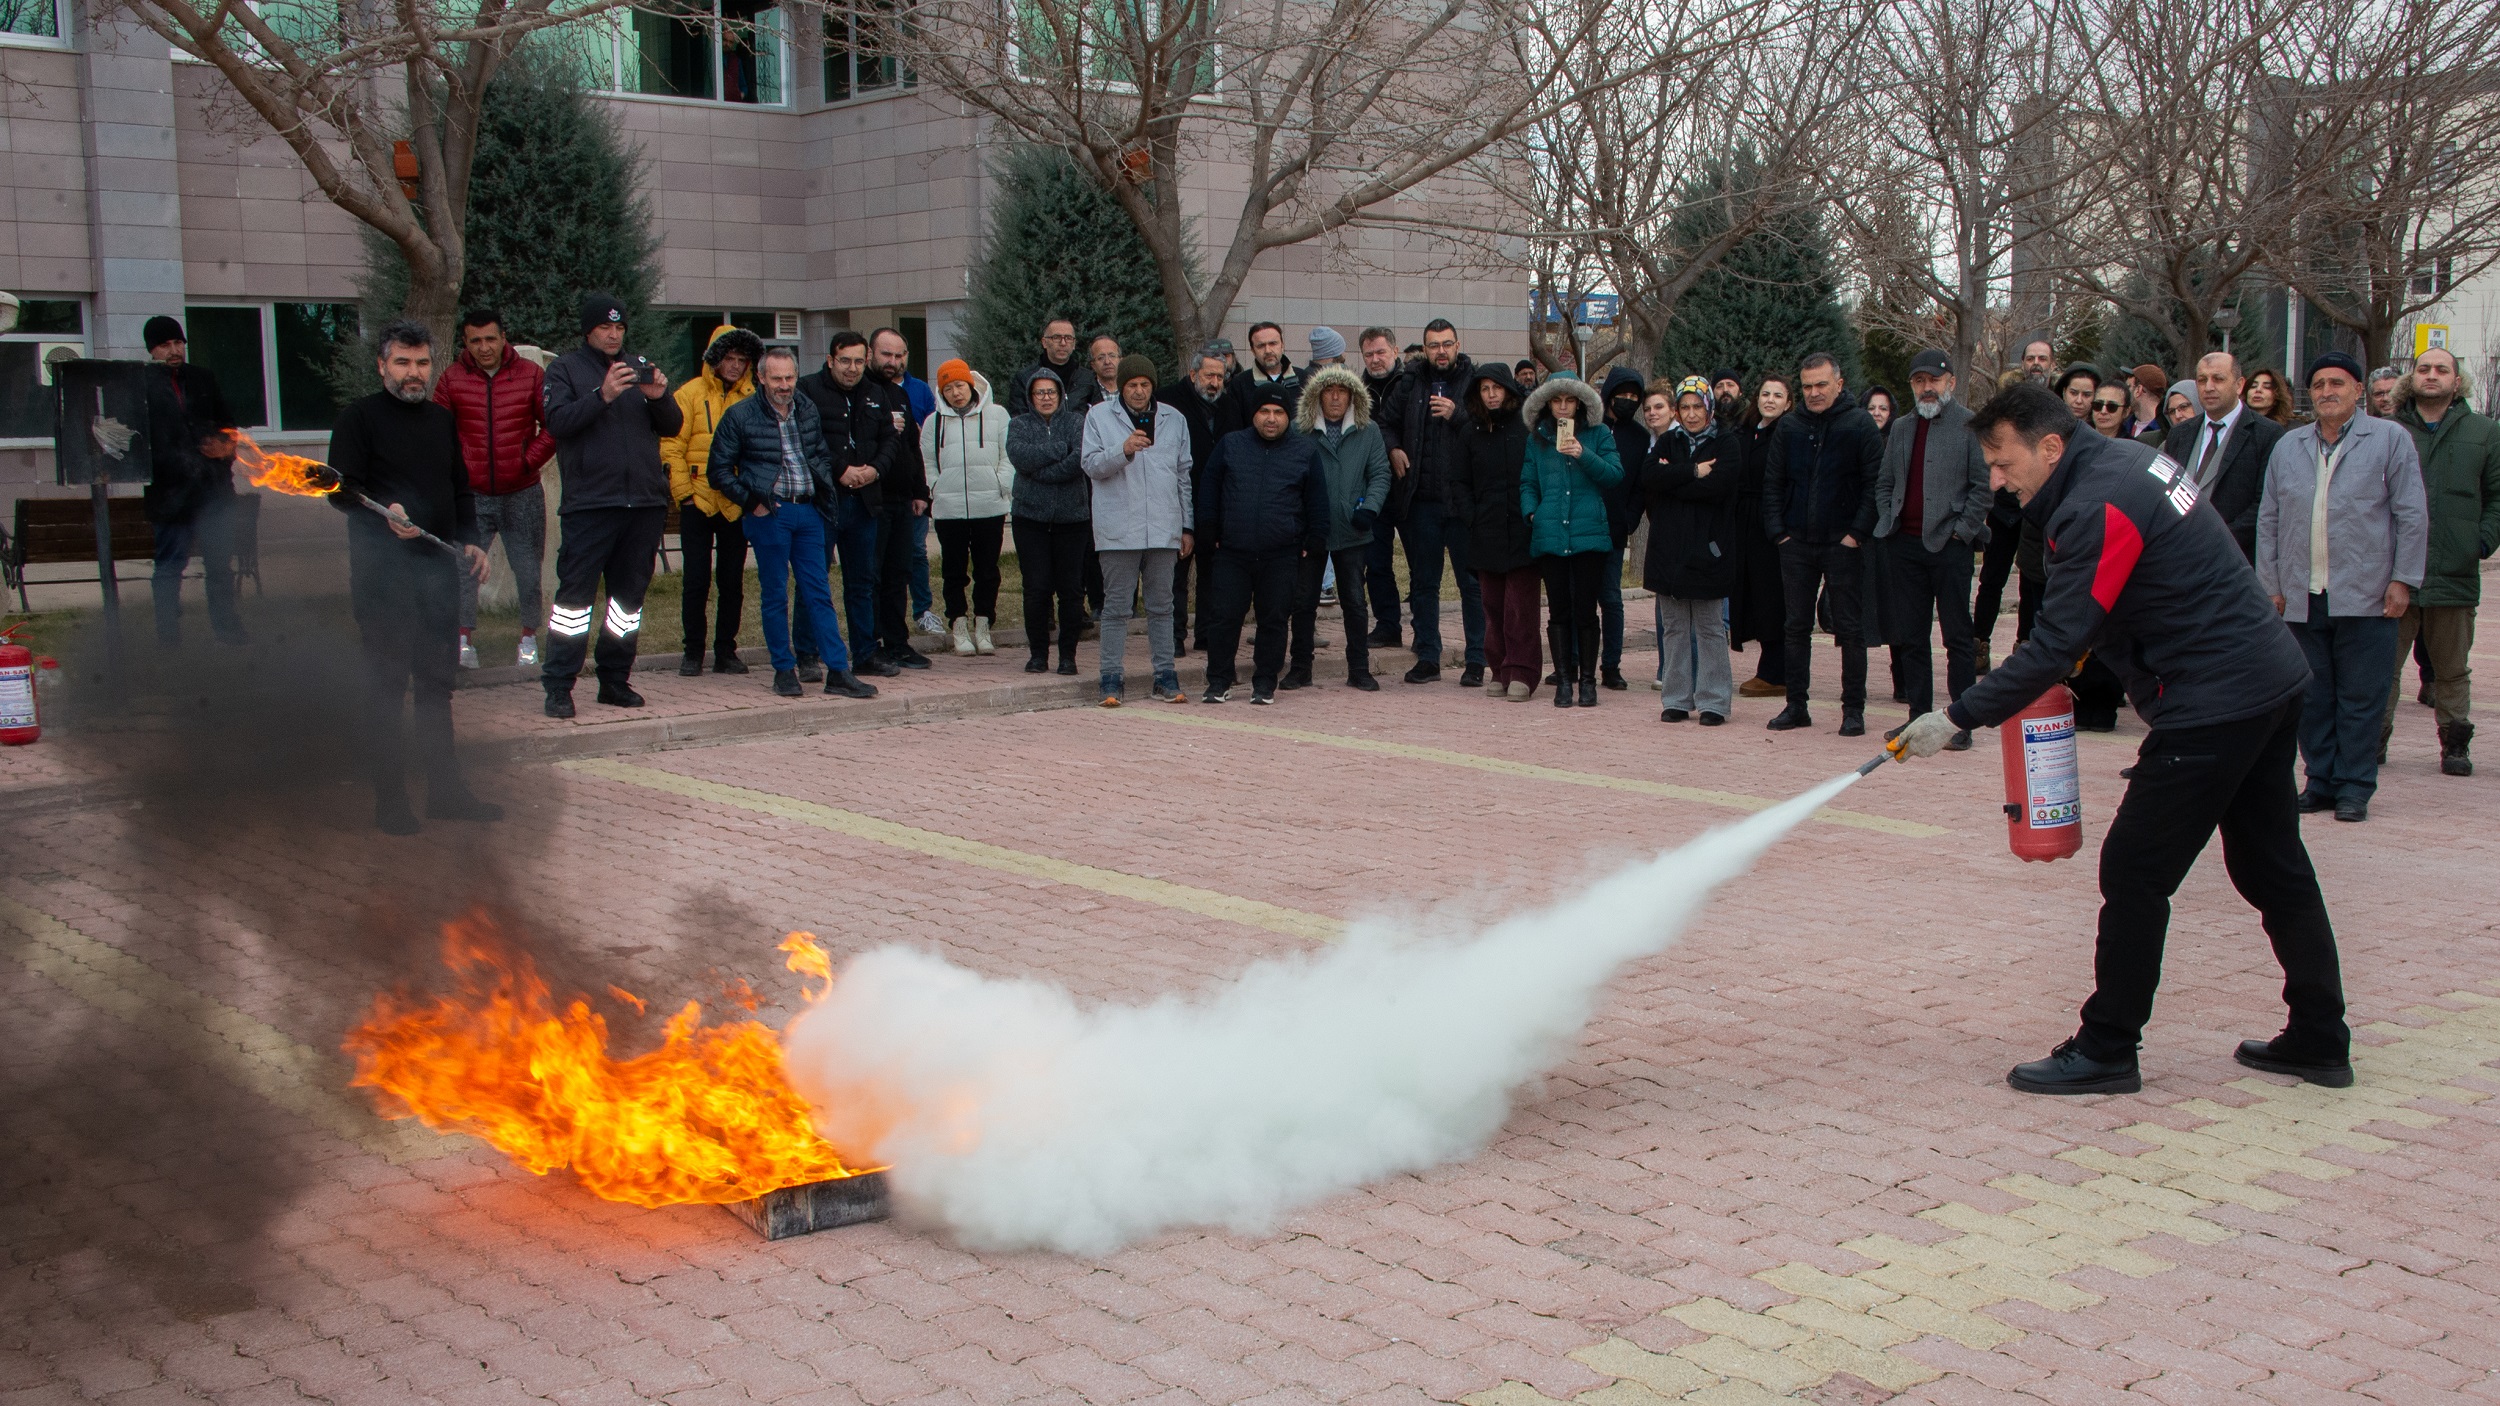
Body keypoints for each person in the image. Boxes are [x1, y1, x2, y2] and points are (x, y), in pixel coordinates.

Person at [1894, 382, 2348, 1095]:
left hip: (2216, 699)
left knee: (2135, 872)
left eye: (2005, 464)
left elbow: (2053, 644)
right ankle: (2321, 1036)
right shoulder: (2125, 463)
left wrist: (1955, 717)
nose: (1998, 481)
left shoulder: (2097, 503)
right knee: (2273, 867)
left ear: (2050, 446)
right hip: (2265, 681)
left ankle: (2107, 1046)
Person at [326, 319, 501, 833]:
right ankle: (390, 801)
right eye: (402, 363)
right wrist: (386, 513)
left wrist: (470, 537)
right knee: (386, 689)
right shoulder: (358, 419)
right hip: (383, 580)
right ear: (382, 366)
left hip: (438, 578)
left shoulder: (440, 420)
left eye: (422, 363)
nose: (413, 373)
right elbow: (340, 492)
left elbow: (460, 487)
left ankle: (446, 792)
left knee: (435, 688)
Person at [2255, 352, 2427, 822]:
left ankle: (2355, 785)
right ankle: (2322, 780)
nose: (2327, 391)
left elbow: (2411, 513)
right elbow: (2269, 518)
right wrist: (2270, 582)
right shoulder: (2290, 446)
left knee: (2361, 696)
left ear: (2358, 391)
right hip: (2301, 594)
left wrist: (2402, 580)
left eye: (2338, 383)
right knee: (2312, 695)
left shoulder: (2390, 439)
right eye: (2319, 384)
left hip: (2368, 594)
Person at [704, 346, 879, 701]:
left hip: (809, 510)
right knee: (774, 593)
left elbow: (816, 454)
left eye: (790, 378)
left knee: (819, 592)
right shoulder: (739, 416)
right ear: (761, 378)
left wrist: (822, 497)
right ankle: (784, 669)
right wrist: (752, 501)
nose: (784, 386)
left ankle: (838, 671)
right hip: (770, 513)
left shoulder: (806, 407)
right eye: (777, 378)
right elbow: (718, 470)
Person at [538, 293, 684, 717]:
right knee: (574, 602)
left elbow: (671, 426)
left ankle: (615, 681)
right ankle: (559, 685)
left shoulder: (638, 366)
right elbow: (558, 423)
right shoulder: (565, 369)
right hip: (591, 505)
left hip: (642, 505)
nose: (613, 334)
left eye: (619, 328)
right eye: (605, 327)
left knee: (626, 603)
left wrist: (658, 396)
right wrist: (601, 395)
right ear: (588, 330)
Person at [2379, 346, 2498, 776]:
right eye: (2423, 369)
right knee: (2383, 667)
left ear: (2457, 380)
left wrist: (2480, 541)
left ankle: (2455, 746)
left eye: (2441, 369)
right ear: (2412, 379)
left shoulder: (2485, 432)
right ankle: (2373, 740)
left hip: (2455, 569)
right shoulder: (2386, 431)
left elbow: (2497, 496)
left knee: (2451, 670)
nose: (2432, 375)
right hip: (2394, 574)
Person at [1873, 350, 1989, 745]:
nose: (1927, 388)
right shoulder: (1902, 427)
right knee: (1911, 635)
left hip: (1950, 546)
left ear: (1950, 383)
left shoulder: (1971, 426)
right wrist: (1887, 518)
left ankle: (1960, 724)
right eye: (1919, 381)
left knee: (1957, 637)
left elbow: (1983, 486)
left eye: (1934, 380)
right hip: (1903, 545)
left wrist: (1962, 530)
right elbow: (1885, 481)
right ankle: (1917, 719)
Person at [1760, 353, 1880, 735]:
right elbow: (1773, 484)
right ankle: (1796, 706)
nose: (1813, 393)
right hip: (1796, 542)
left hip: (1843, 542)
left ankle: (1853, 710)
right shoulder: (1790, 427)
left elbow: (1874, 486)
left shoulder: (1860, 425)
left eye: (1821, 385)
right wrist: (1779, 531)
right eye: (1807, 386)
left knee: (1849, 629)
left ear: (1839, 384)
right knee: (1795, 626)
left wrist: (1855, 534)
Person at [436, 307, 557, 669]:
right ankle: (462, 641)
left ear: (504, 337)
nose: (484, 347)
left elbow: (553, 426)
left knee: (527, 568)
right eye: (476, 340)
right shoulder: (452, 379)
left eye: (491, 338)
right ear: (465, 342)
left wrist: (526, 461)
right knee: (464, 568)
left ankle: (527, 639)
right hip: (472, 496)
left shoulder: (531, 374)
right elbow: (438, 432)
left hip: (522, 491)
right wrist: (460, 471)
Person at [1199, 385, 1328, 704]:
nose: (1271, 419)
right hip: (1232, 551)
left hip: (1281, 554)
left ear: (1289, 417)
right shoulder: (1231, 445)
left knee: (1273, 619)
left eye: (1279, 413)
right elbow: (1208, 491)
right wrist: (1207, 531)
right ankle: (1219, 680)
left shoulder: (1305, 452)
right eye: (1264, 412)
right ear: (1254, 415)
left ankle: (1264, 682)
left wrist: (1312, 541)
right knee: (1225, 617)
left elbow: (1317, 503)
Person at [1083, 354, 1194, 705]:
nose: (1139, 391)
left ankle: (1165, 676)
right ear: (1121, 387)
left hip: (1163, 528)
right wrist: (1124, 449)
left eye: (1145, 384)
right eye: (1132, 385)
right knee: (1117, 608)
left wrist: (1186, 525)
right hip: (1119, 529)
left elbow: (1183, 475)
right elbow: (1091, 464)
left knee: (1163, 606)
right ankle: (1111, 679)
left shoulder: (1174, 419)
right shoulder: (1099, 416)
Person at [1380, 319, 1487, 684]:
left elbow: (1489, 431)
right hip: (1421, 502)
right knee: (1423, 584)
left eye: (1446, 344)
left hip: (1462, 504)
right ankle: (1428, 656)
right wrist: (1393, 448)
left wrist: (1457, 415)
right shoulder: (1410, 381)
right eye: (1433, 345)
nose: (1440, 351)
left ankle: (1477, 659)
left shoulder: (1475, 383)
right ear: (1423, 349)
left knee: (1471, 584)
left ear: (1458, 345)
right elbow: (1384, 421)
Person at [659, 324, 762, 676]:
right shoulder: (688, 393)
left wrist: (751, 493)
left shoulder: (754, 396)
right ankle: (693, 651)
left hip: (735, 501)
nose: (734, 365)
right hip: (698, 499)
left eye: (741, 359)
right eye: (729, 358)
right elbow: (671, 444)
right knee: (696, 580)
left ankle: (725, 650)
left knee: (732, 581)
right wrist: (683, 494)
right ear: (715, 359)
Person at [140, 315, 247, 648]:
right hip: (171, 496)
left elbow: (229, 426)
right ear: (152, 350)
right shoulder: (141, 385)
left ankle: (227, 631)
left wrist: (224, 447)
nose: (174, 350)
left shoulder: (202, 379)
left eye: (178, 343)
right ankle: (168, 637)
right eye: (165, 345)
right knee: (170, 568)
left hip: (213, 491)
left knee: (219, 567)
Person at [794, 331, 896, 679]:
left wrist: (875, 470)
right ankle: (807, 655)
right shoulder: (807, 391)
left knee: (861, 582)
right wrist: (841, 470)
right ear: (830, 360)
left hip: (864, 502)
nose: (852, 369)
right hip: (823, 503)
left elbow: (890, 440)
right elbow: (808, 441)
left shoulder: (875, 393)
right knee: (813, 580)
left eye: (858, 361)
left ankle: (865, 653)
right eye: (845, 361)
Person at [1520, 375, 1624, 708]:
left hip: (1589, 534)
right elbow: (1527, 482)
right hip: (1550, 534)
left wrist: (1582, 453)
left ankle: (1589, 682)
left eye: (1569, 400)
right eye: (1556, 400)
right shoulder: (1537, 439)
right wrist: (1533, 513)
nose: (1563, 407)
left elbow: (1614, 474)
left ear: (1579, 402)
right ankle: (1564, 681)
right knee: (1559, 610)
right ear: (1547, 404)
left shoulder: (1599, 433)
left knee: (1586, 611)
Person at [1643, 378, 1740, 724]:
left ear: (1709, 407)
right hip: (1668, 552)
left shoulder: (1726, 442)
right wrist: (1692, 472)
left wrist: (1675, 480)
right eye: (1685, 407)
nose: (1691, 414)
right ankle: (1677, 699)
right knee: (1674, 629)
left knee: (1711, 628)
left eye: (1697, 406)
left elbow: (1719, 487)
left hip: (1709, 550)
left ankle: (1713, 701)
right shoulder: (1668, 440)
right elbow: (1649, 477)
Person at [1289, 365, 1391, 690]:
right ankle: (1300, 667)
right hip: (1312, 530)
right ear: (1317, 396)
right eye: (1329, 391)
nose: (1335, 397)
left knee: (1355, 602)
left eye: (1342, 391)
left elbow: (1380, 474)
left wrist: (1370, 508)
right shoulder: (1301, 430)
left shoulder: (1368, 430)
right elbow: (1289, 477)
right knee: (1304, 601)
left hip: (1353, 528)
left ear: (1352, 396)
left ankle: (1359, 668)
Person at [1449, 365, 1537, 699]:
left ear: (1509, 391)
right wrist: (1471, 516)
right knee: (1493, 607)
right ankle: (1499, 670)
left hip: (1522, 529)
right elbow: (1458, 480)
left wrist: (1532, 515)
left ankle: (1523, 672)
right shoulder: (1470, 432)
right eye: (1485, 389)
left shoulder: (1527, 427)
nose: (1491, 395)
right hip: (1485, 533)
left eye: (1496, 388)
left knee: (1520, 608)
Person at [922, 358, 1012, 656]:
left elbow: (1008, 456)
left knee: (987, 570)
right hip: (950, 510)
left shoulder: (997, 415)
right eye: (948, 388)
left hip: (990, 506)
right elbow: (928, 463)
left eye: (959, 385)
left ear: (970, 384)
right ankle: (958, 625)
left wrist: (1001, 484)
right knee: (953, 571)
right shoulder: (933, 422)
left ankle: (984, 626)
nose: (955, 393)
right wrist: (937, 488)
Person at [2160, 351, 2284, 563]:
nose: (2209, 387)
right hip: (2180, 558)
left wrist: (2216, 539)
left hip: (2236, 560)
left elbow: (2264, 504)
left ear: (2239, 385)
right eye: (2202, 380)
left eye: (2218, 379)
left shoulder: (2267, 434)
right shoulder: (2180, 434)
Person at [1159, 348, 1245, 653]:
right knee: (1176, 573)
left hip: (1216, 503)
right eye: (1209, 375)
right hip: (1177, 498)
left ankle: (1206, 634)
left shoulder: (1229, 405)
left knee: (1212, 572)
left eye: (1220, 377)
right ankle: (1173, 636)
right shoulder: (1169, 401)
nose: (1215, 383)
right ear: (1193, 374)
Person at [1006, 369, 1091, 676]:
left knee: (1070, 591)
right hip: (1030, 520)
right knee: (1036, 588)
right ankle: (1038, 654)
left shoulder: (1077, 422)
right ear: (1030, 397)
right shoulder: (1018, 425)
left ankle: (1068, 655)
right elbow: (1020, 458)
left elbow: (1080, 458)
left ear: (1060, 395)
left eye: (1051, 392)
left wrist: (1040, 472)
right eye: (1039, 393)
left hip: (1073, 519)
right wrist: (1057, 451)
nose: (1046, 398)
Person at [869, 328, 936, 667]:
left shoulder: (901, 395)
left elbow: (913, 446)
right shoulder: (863, 394)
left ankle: (898, 642)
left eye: (899, 356)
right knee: (873, 574)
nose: (893, 362)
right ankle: (872, 642)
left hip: (902, 501)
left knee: (899, 573)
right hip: (871, 501)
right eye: (886, 355)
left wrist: (920, 492)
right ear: (871, 354)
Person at [1729, 375, 1792, 697]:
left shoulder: (1788, 434)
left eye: (1777, 395)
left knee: (1773, 598)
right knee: (1750, 594)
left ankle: (1775, 671)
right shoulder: (1744, 432)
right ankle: (1769, 668)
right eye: (1765, 393)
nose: (1769, 400)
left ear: (1788, 402)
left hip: (1772, 524)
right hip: (1743, 523)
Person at [1597, 366, 1652, 690]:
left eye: (1634, 397)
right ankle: (1572, 661)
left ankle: (1611, 666)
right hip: (1581, 525)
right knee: (1578, 599)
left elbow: (1639, 487)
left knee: (1611, 600)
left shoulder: (1640, 437)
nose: (1628, 401)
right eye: (1623, 395)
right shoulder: (1591, 427)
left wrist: (1630, 520)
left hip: (1615, 530)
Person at [1357, 327, 1410, 649]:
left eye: (1380, 352)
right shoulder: (1356, 389)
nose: (1375, 360)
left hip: (1410, 486)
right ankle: (1388, 625)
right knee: (1376, 563)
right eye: (1368, 354)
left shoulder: (1411, 384)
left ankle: (1426, 630)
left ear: (1395, 350)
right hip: (1373, 489)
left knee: (1421, 566)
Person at [1007, 315, 1086, 416]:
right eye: (1056, 337)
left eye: (1068, 338)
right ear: (1044, 342)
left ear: (1074, 344)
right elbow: (1020, 419)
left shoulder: (1087, 379)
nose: (1063, 343)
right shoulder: (1024, 379)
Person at [1226, 321, 1302, 423]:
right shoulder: (1239, 384)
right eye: (1261, 346)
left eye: (1273, 343)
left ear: (1282, 345)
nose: (1268, 350)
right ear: (1252, 350)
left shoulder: (1304, 379)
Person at [2121, 364, 2167, 440]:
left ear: (2138, 390)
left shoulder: (2165, 431)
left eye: (2127, 387)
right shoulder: (2124, 427)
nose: (2123, 392)